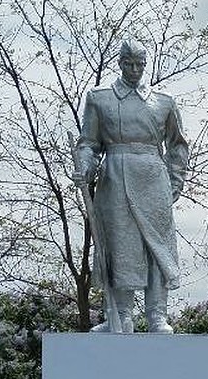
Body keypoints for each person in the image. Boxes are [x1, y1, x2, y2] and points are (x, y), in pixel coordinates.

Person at [73, 38, 189, 334]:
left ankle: (156, 315)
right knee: (120, 244)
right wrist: (85, 167)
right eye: (129, 64)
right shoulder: (99, 98)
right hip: (115, 177)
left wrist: (175, 183)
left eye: (140, 64)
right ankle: (121, 314)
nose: (135, 70)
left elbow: (177, 145)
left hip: (153, 178)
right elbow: (88, 142)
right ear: (120, 63)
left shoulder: (164, 101)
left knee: (156, 247)